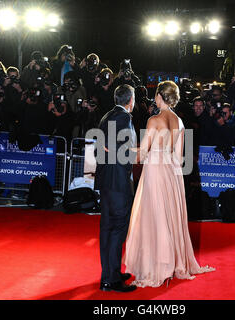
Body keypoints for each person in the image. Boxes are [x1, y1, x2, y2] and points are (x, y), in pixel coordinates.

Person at [124, 81, 215, 288]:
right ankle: (170, 263)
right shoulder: (179, 121)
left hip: (155, 171)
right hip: (172, 174)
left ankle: (157, 265)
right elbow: (178, 156)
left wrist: (119, 150)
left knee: (153, 217)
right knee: (169, 216)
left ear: (159, 96)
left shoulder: (154, 120)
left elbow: (143, 153)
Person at [94, 84, 137, 293]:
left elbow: (100, 148)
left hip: (106, 181)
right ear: (130, 100)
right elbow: (124, 151)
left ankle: (109, 274)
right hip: (118, 182)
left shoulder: (105, 117)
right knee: (117, 229)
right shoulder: (124, 118)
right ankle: (110, 280)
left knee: (108, 229)